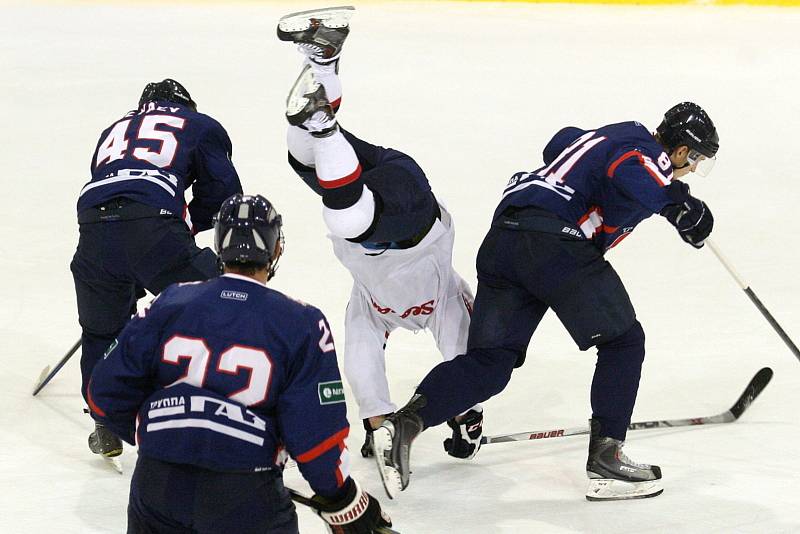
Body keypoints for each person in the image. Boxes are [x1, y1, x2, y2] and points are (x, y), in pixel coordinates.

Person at [373, 103, 719, 501]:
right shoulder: (648, 155)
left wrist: (666, 201)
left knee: (491, 363)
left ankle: (402, 426)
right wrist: (676, 202)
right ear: (681, 150)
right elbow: (630, 167)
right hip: (555, 243)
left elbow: (560, 141)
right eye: (695, 160)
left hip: (505, 239)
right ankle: (608, 457)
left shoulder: (603, 138)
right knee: (624, 341)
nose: (691, 169)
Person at [86, 194, 392, 534]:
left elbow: (102, 392)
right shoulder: (302, 322)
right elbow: (316, 435)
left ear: (219, 247)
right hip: (245, 496)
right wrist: (342, 498)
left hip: (157, 485)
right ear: (275, 250)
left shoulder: (171, 301)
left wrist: (162, 432)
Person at [277, 6, 482, 461]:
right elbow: (464, 364)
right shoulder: (449, 300)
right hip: (411, 209)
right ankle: (324, 125)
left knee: (303, 159)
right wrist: (467, 415)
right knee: (350, 221)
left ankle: (323, 62)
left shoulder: (365, 311)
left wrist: (379, 426)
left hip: (367, 184)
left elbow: (361, 369)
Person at [71, 79, 243, 460]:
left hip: (94, 232)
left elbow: (114, 185)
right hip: (155, 227)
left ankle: (105, 421)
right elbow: (223, 193)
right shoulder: (200, 125)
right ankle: (225, 405)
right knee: (223, 300)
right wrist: (183, 233)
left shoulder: (113, 129)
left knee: (101, 328)